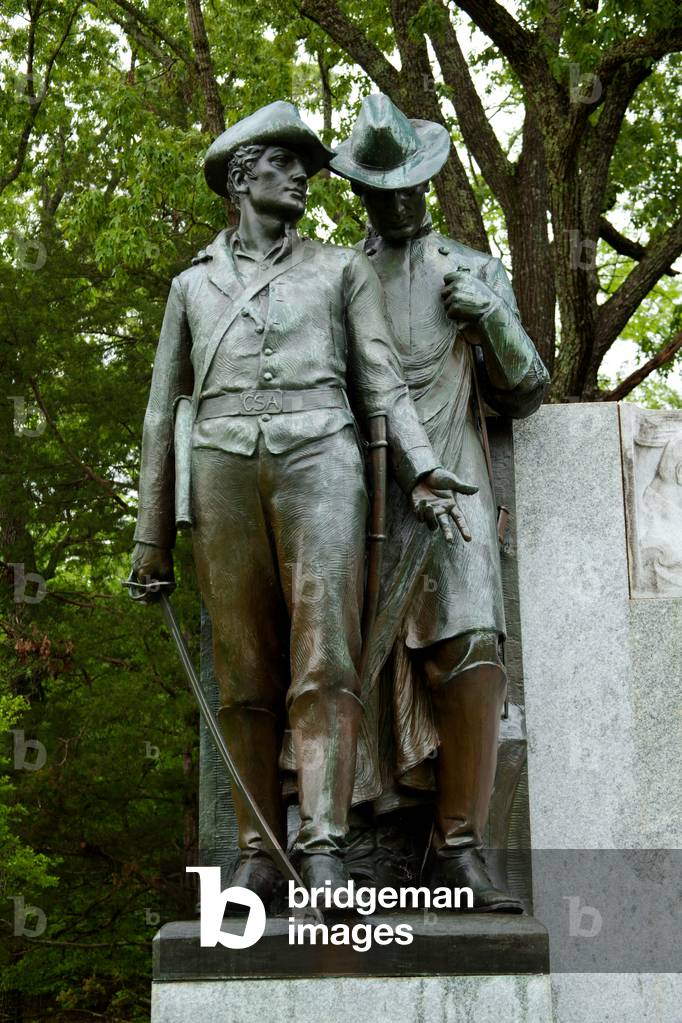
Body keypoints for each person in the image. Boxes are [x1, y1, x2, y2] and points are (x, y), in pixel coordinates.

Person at [129, 101, 477, 909]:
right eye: (285, 165)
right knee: (243, 672)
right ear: (242, 178)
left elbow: (381, 380)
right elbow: (159, 411)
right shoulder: (191, 286)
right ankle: (259, 849)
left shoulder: (340, 270)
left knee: (326, 659)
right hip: (219, 469)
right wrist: (151, 535)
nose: (302, 179)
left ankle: (324, 846)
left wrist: (423, 470)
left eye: (304, 167)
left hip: (322, 460)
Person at [330, 94, 550, 911]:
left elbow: (526, 388)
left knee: (472, 651)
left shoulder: (474, 270)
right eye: (380, 192)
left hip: (455, 482)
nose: (398, 204)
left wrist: (492, 321)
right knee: (344, 660)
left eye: (409, 188)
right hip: (362, 494)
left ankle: (460, 846)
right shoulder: (337, 279)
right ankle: (349, 844)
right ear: (362, 195)